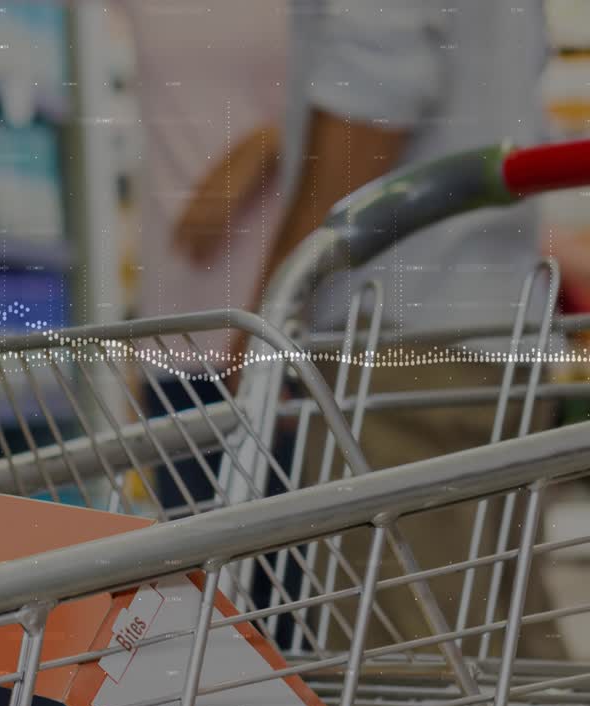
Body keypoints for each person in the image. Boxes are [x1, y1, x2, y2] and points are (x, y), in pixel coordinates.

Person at [271, 0, 565, 660]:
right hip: (496, 328)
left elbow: (372, 101)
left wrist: (273, 309)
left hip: (400, 338)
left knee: (407, 669)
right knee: (504, 658)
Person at [117, 0, 288, 508]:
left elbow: (373, 105)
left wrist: (273, 141)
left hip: (287, 330)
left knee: (294, 577)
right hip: (174, 331)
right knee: (192, 576)